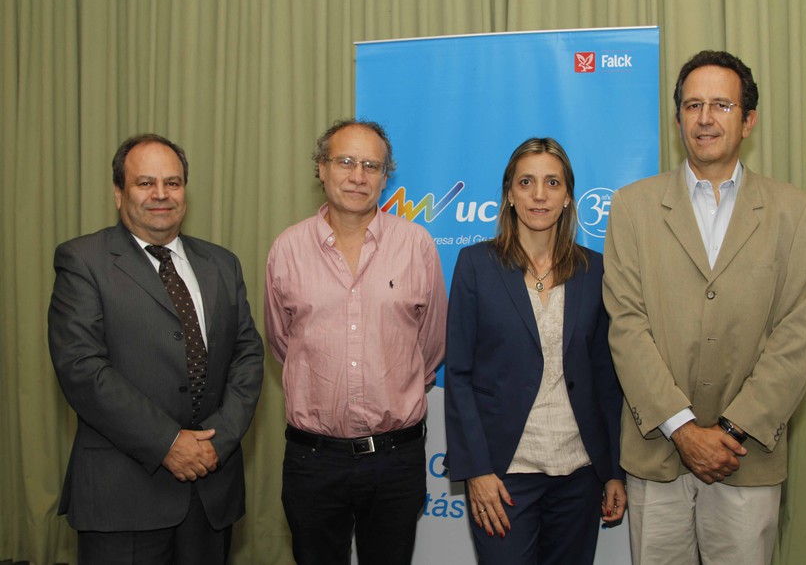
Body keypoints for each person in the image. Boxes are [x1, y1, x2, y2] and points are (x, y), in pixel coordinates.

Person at [602, 50, 806, 565]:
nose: (705, 118)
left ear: (748, 121)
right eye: (692, 105)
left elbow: (795, 336)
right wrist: (682, 429)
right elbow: (627, 327)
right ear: (677, 119)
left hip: (745, 456)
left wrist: (727, 432)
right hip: (658, 452)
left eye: (721, 105)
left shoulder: (794, 212)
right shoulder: (632, 207)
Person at [48, 133, 265, 564]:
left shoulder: (222, 263)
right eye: (145, 183)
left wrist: (217, 442)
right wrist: (168, 443)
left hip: (210, 492)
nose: (161, 194)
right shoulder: (83, 260)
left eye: (173, 182)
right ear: (119, 193)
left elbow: (248, 355)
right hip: (123, 496)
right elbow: (82, 368)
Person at [264, 118, 447, 565]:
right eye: (345, 161)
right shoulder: (286, 249)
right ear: (321, 168)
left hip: (395, 458)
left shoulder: (417, 246)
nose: (358, 176)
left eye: (371, 166)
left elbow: (430, 346)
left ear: (386, 177)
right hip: (313, 460)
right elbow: (283, 344)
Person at [444, 137, 627, 564]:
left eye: (552, 183)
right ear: (509, 194)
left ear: (568, 197)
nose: (539, 195)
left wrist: (613, 472)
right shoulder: (476, 265)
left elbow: (606, 380)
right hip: (504, 475)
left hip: (579, 474)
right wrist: (476, 470)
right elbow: (459, 375)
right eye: (526, 182)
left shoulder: (595, 270)